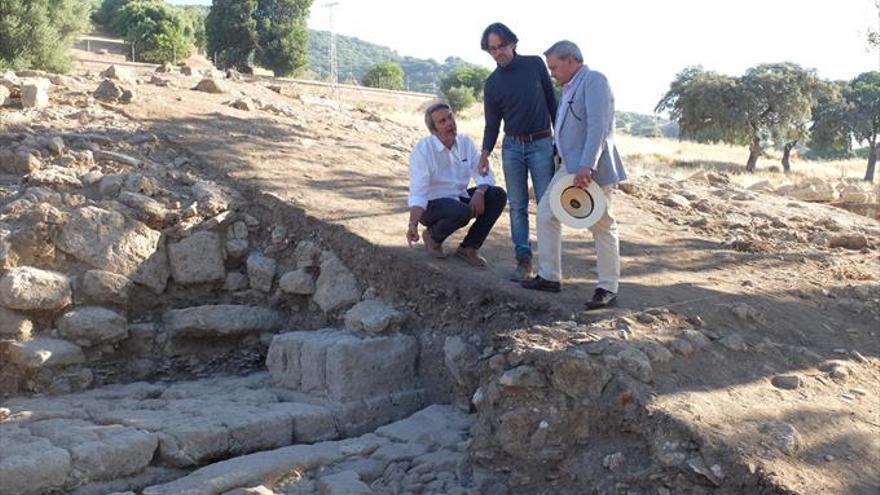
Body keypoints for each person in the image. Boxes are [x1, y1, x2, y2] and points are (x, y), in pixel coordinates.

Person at [521, 40, 627, 310]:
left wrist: (587, 166)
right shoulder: (570, 87)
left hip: (590, 169)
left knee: (601, 224)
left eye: (554, 67)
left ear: (571, 60)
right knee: (546, 213)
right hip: (568, 167)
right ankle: (549, 276)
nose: (552, 73)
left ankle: (607, 287)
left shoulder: (594, 81)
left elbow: (598, 127)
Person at [479, 22, 557, 282]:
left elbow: (553, 103)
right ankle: (523, 261)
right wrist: (484, 154)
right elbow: (492, 124)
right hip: (512, 147)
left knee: (547, 206)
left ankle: (549, 268)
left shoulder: (535, 64)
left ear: (512, 43)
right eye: (492, 49)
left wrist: (563, 143)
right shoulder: (491, 84)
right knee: (517, 206)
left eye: (501, 46)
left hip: (542, 144)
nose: (498, 52)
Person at [406, 102, 507, 267]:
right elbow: (418, 193)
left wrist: (480, 193)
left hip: (458, 198)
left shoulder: (465, 142)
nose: (449, 124)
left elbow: (483, 172)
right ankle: (432, 236)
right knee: (461, 211)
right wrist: (413, 224)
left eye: (450, 117)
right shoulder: (423, 150)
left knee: (497, 195)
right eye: (442, 121)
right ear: (433, 130)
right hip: (431, 206)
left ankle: (468, 248)